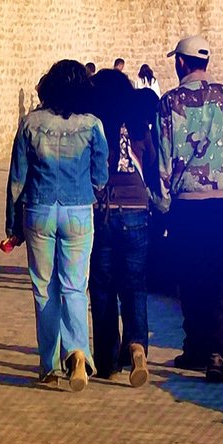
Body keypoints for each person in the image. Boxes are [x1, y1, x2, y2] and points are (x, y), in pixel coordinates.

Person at [155, 37, 223, 385]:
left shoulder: (170, 102)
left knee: (190, 275)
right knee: (218, 277)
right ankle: (217, 354)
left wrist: (162, 205)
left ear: (181, 63)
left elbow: (163, 158)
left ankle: (195, 347)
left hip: (188, 203)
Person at [7, 60, 108, 390]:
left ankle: (48, 363)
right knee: (75, 286)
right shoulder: (93, 125)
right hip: (78, 210)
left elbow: (17, 180)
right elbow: (101, 175)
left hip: (40, 209)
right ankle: (78, 352)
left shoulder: (30, 123)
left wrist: (12, 225)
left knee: (44, 287)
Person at [89, 69, 159, 388]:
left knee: (102, 286)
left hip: (103, 211)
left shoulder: (94, 125)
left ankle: (106, 362)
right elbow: (154, 166)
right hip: (137, 209)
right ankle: (137, 348)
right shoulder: (139, 124)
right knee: (135, 285)